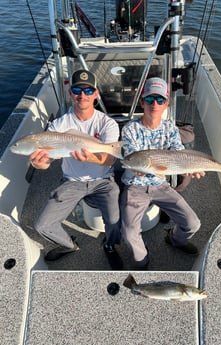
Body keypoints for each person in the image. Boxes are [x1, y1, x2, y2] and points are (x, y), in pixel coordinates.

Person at [30, 69, 123, 269]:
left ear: (96, 94)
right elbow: (47, 161)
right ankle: (68, 245)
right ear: (70, 93)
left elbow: (108, 160)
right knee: (41, 225)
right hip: (72, 181)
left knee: (115, 222)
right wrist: (40, 164)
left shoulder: (107, 123)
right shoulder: (58, 125)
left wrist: (91, 158)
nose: (83, 95)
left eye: (88, 91)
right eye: (77, 90)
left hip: (103, 181)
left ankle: (110, 245)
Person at [120, 77, 205, 269]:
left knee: (193, 223)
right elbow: (132, 159)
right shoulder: (130, 129)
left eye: (160, 100)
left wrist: (192, 167)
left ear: (167, 103)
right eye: (149, 100)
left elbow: (179, 152)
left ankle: (174, 239)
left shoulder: (170, 128)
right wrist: (137, 167)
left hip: (161, 185)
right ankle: (143, 262)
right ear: (142, 102)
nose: (154, 104)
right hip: (135, 187)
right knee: (129, 233)